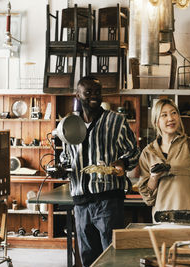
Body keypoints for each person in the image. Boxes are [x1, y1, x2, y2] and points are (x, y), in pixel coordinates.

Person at [67, 76, 140, 267]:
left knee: (112, 255)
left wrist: (123, 163)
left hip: (108, 201)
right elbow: (67, 158)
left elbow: (134, 152)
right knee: (88, 257)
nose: (94, 96)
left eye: (97, 92)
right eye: (88, 92)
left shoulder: (116, 121)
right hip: (81, 202)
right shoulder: (69, 124)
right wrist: (61, 166)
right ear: (77, 95)